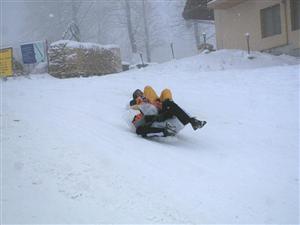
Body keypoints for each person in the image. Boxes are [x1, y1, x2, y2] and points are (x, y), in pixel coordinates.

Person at [129, 86, 207, 137]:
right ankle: (191, 121)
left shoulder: (148, 95)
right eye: (138, 94)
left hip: (160, 104)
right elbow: (132, 107)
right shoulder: (136, 102)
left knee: (165, 91)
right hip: (154, 111)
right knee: (148, 88)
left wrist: (158, 102)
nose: (140, 93)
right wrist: (139, 101)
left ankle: (193, 121)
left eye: (140, 92)